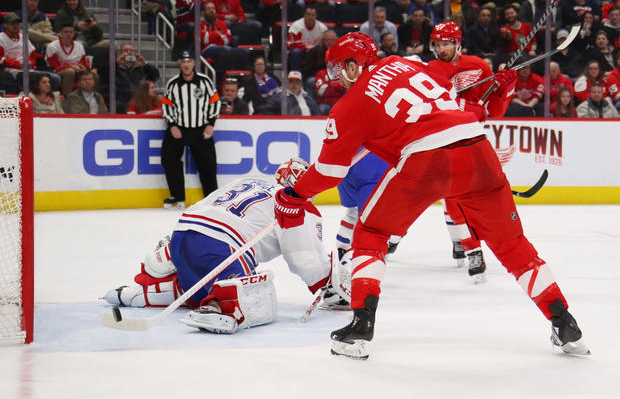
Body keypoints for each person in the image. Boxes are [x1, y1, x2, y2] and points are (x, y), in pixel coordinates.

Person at [273, 32, 590, 360]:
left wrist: (294, 195)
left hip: (425, 158)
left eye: (340, 69)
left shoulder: (349, 104)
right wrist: (499, 92)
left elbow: (329, 171)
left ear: (355, 66)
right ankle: (565, 324)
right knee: (514, 248)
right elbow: (458, 100)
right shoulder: (406, 64)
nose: (337, 78)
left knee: (371, 236)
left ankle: (360, 328)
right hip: (478, 147)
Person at [103, 172, 349, 334]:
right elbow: (303, 257)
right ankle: (215, 307)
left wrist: (176, 248)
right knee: (259, 294)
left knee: (201, 276)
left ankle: (142, 291)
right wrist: (326, 282)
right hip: (222, 248)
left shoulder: (247, 180)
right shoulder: (296, 205)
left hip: (184, 234)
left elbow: (203, 207)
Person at [426, 21, 517, 281]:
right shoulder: (430, 70)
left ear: (457, 44)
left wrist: (505, 89)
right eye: (438, 44)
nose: (442, 49)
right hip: (442, 140)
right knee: (452, 197)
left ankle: (465, 243)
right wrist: (467, 106)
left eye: (446, 43)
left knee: (461, 198)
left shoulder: (478, 65)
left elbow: (494, 111)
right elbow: (435, 104)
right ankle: (471, 249)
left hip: (472, 141)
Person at [161, 51, 221, 209]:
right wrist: (172, 125)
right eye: (183, 61)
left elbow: (215, 101)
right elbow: (166, 105)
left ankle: (211, 197)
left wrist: (210, 123)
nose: (186, 64)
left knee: (208, 164)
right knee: (168, 159)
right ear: (180, 64)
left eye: (189, 61)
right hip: (179, 128)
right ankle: (177, 196)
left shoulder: (204, 81)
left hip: (201, 129)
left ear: (194, 64)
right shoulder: (173, 83)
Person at [45, 23, 89, 97]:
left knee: (93, 74)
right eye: (65, 32)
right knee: (70, 72)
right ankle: (67, 97)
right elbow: (54, 66)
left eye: (71, 32)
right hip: (58, 73)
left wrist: (82, 68)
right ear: (60, 33)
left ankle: (91, 98)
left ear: (74, 34)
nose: (68, 34)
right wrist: (71, 67)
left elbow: (83, 63)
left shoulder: (79, 46)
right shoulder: (52, 46)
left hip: (77, 70)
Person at [114, 43, 160, 113]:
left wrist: (145, 65)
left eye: (131, 51)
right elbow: (105, 75)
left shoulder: (141, 69)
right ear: (121, 53)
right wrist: (116, 63)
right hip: (121, 102)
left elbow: (155, 76)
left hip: (139, 103)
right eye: (126, 50)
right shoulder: (115, 68)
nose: (129, 52)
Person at [287, 6, 328, 72]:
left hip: (317, 52)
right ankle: (296, 76)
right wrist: (305, 47)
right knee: (295, 52)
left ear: (316, 16)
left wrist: (314, 49)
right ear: (304, 15)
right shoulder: (296, 26)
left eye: (312, 15)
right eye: (308, 14)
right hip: (302, 52)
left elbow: (326, 43)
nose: (310, 17)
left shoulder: (322, 28)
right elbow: (291, 44)